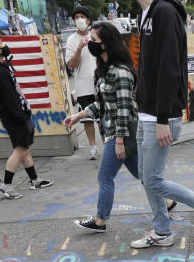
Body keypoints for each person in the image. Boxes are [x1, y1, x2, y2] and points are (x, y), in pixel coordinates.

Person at [112, 0, 194, 248]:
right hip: (146, 111)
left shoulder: (164, 12)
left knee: (154, 180)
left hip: (162, 115)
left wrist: (162, 118)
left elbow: (170, 69)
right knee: (147, 178)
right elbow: (148, 67)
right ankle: (162, 230)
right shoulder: (144, 14)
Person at [63, 23, 176, 232]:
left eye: (94, 40)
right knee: (142, 174)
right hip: (119, 131)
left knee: (105, 176)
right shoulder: (104, 70)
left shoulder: (121, 72)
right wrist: (78, 116)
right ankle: (167, 202)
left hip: (122, 132)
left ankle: (100, 220)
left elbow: (124, 109)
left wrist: (119, 141)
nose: (90, 44)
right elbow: (103, 104)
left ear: (106, 44)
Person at [0, 32, 52, 199]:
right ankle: (6, 185)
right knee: (20, 150)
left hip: (18, 114)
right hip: (15, 116)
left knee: (25, 148)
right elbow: (9, 99)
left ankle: (34, 180)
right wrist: (21, 117)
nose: (4, 45)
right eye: (1, 42)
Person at [65, 5, 99, 160]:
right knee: (87, 120)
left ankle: (108, 144)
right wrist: (79, 48)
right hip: (83, 86)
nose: (80, 19)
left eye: (82, 16)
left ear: (88, 19)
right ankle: (93, 147)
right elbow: (71, 65)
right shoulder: (72, 40)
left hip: (99, 83)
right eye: (76, 17)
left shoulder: (96, 35)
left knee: (103, 117)